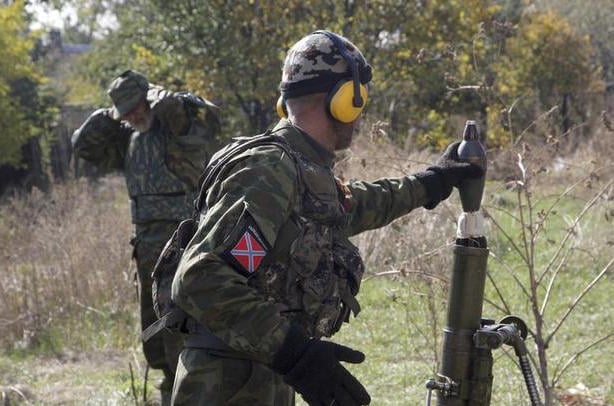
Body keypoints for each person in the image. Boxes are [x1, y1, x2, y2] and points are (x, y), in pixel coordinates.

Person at [170, 31, 482, 406]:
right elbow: (199, 277)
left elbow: (356, 205)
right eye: (360, 97)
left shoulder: (300, 170)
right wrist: (296, 354)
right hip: (226, 386)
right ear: (345, 99)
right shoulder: (269, 168)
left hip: (254, 375)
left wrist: (433, 183)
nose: (361, 112)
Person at [71, 70, 221, 405]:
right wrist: (109, 117)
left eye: (137, 107)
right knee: (155, 325)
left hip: (185, 242)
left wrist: (161, 99)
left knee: (182, 320)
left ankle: (191, 391)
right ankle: (171, 387)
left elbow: (197, 118)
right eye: (126, 112)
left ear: (149, 99)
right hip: (148, 248)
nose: (134, 116)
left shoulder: (176, 126)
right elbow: (83, 147)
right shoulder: (130, 139)